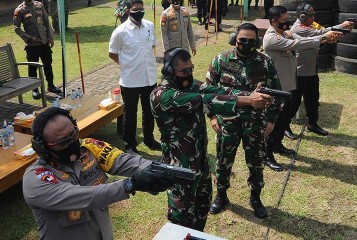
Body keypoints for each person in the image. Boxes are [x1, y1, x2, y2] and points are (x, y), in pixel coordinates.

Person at [150, 48, 273, 230]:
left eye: (191, 69)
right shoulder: (162, 96)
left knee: (202, 208)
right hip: (179, 168)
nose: (189, 74)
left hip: (200, 163)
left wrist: (250, 95)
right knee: (181, 218)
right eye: (184, 71)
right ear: (168, 71)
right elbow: (205, 100)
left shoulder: (190, 85)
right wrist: (248, 101)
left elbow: (218, 90)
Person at [23, 107, 174, 240]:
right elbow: (85, 197)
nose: (72, 143)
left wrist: (158, 170)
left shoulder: (89, 148)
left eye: (74, 134)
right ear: (42, 147)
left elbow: (123, 161)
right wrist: (130, 184)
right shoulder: (37, 179)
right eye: (62, 142)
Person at [206, 23, 282, 218]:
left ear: (257, 41)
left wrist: (271, 121)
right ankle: (221, 196)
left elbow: (277, 93)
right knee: (223, 162)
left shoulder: (265, 62)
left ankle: (255, 198)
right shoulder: (221, 60)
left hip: (256, 124)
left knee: (256, 163)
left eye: (251, 41)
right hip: (227, 123)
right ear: (235, 40)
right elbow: (206, 91)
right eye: (242, 40)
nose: (246, 44)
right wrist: (212, 116)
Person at [263, 6, 341, 170]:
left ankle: (277, 145)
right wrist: (322, 39)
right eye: (284, 20)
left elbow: (299, 40)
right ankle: (266, 154)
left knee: (283, 120)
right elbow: (297, 44)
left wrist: (326, 39)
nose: (287, 23)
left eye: (287, 19)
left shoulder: (282, 33)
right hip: (278, 87)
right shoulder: (271, 38)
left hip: (288, 85)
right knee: (274, 122)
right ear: (273, 21)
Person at [290, 2, 353, 136]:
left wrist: (342, 31)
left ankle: (312, 124)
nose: (313, 17)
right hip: (300, 72)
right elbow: (323, 33)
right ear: (302, 16)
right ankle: (284, 127)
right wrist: (342, 26)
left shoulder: (310, 24)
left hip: (311, 71)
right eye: (311, 15)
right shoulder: (298, 28)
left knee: (313, 100)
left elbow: (324, 31)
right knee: (294, 103)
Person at [109, 0, 161, 154]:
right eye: (136, 9)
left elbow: (151, 46)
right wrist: (126, 63)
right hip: (130, 79)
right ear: (128, 11)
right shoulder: (120, 31)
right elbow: (112, 53)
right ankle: (130, 144)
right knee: (130, 114)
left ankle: (149, 139)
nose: (139, 11)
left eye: (141, 9)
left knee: (149, 111)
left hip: (149, 77)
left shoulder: (149, 26)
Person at [13, 0, 62, 100]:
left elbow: (46, 21)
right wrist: (29, 38)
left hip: (44, 42)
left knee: (48, 64)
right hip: (32, 45)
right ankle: (35, 90)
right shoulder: (19, 10)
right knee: (32, 67)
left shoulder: (39, 5)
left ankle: (51, 86)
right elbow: (16, 28)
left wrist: (50, 37)